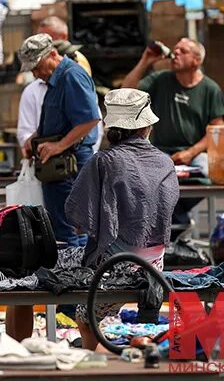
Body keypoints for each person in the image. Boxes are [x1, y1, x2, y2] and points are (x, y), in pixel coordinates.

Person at [64, 89, 179, 349]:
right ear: (146, 126)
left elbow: (77, 218)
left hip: (116, 267)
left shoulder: (103, 161)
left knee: (83, 315)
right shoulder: (165, 162)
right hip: (155, 266)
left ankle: (90, 360)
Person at [122, 37, 224, 233]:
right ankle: (176, 221)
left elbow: (215, 132)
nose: (176, 53)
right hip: (159, 153)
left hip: (194, 154)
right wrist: (145, 61)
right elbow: (126, 93)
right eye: (175, 50)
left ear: (197, 61)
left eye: (183, 51)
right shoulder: (160, 80)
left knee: (207, 173)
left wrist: (190, 153)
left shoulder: (210, 89)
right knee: (136, 178)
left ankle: (174, 218)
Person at [18, 34, 101, 243]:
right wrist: (34, 139)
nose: (36, 74)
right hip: (57, 166)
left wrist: (59, 146)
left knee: (71, 231)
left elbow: (90, 119)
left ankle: (76, 275)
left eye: (37, 67)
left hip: (70, 164)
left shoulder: (72, 76)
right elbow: (59, 120)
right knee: (62, 230)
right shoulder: (55, 80)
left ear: (53, 54)